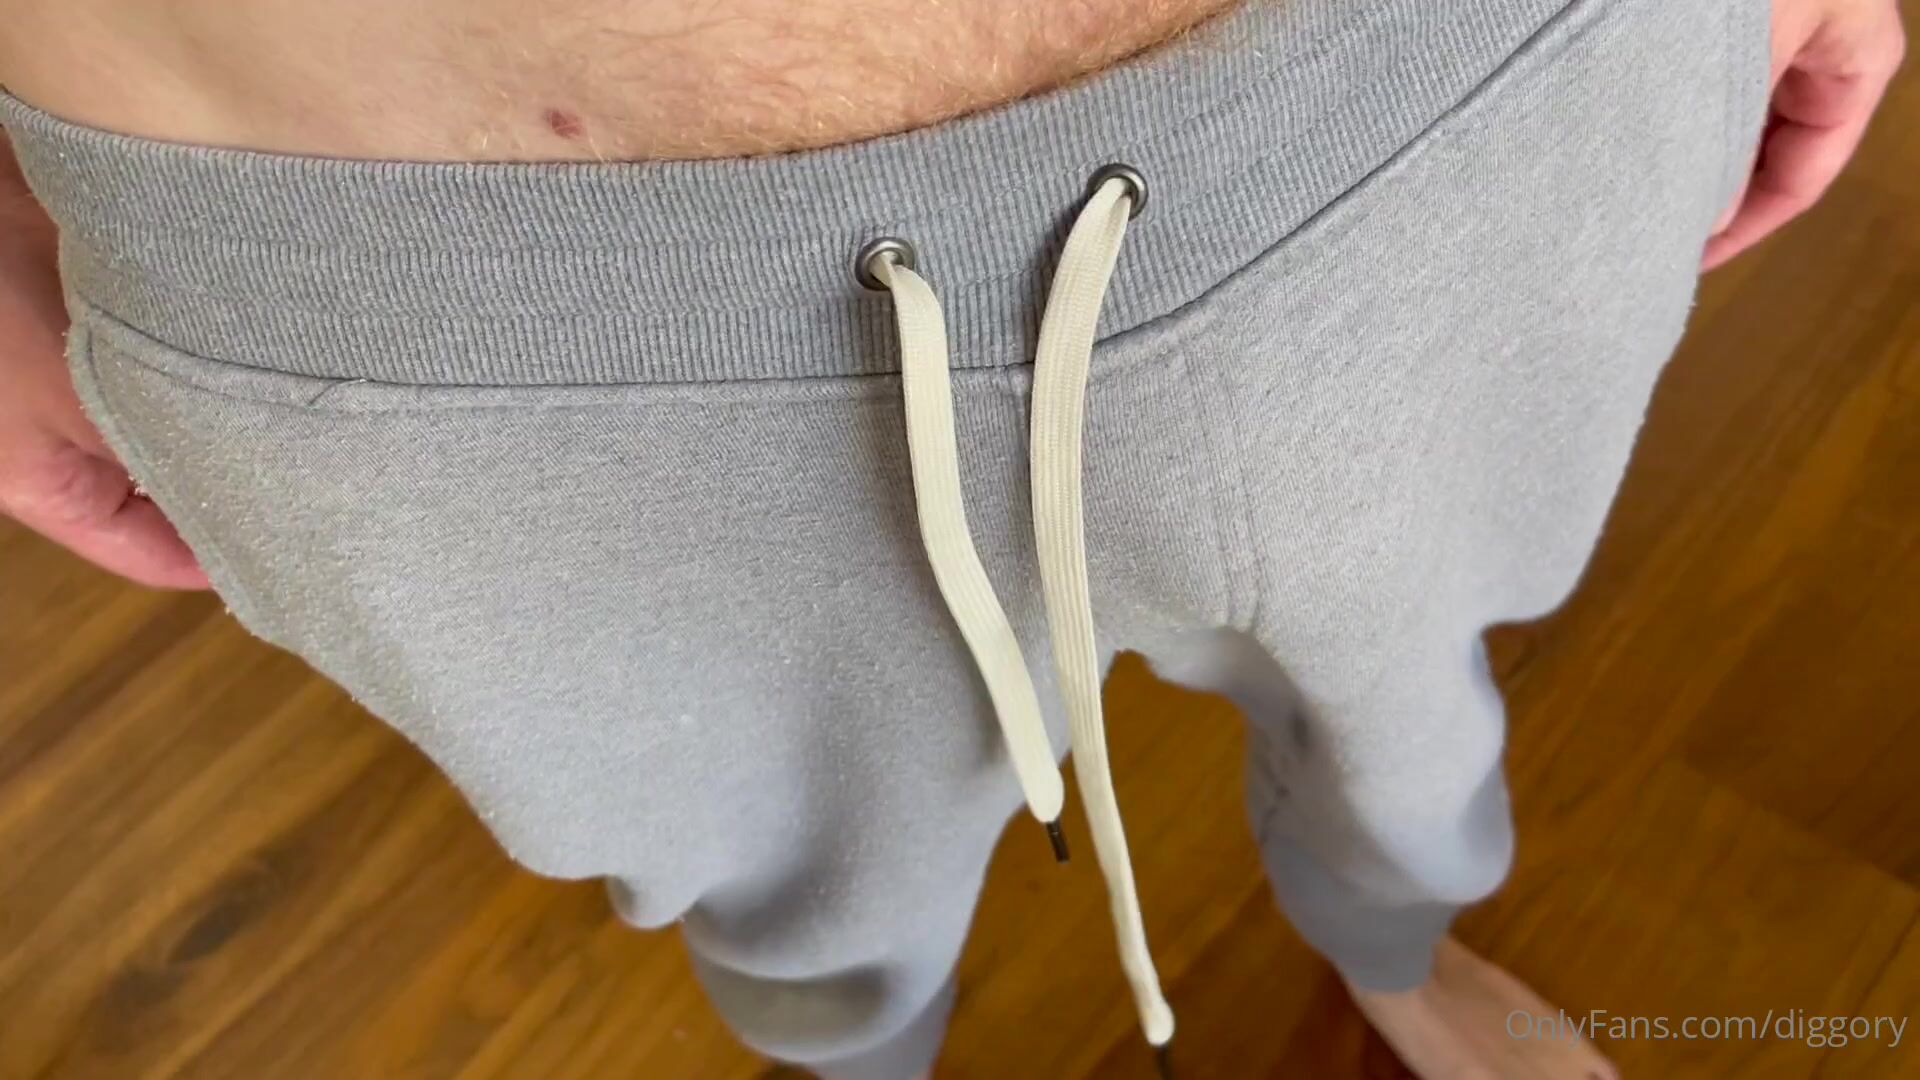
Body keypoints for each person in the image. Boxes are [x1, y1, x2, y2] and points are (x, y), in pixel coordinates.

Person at [0, 1, 1902, 1077]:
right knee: (798, 891)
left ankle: (1395, 948)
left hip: (1474, 80)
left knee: (1416, 710)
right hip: (414, 299)